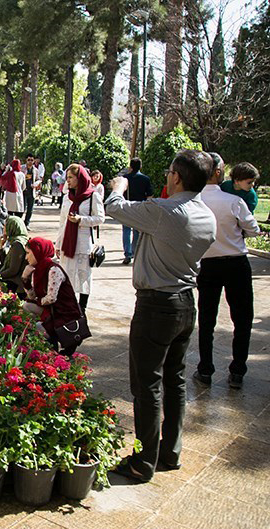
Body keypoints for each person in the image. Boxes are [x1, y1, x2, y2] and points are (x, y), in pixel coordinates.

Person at [105, 149, 216, 484]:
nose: (168, 175)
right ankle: (170, 451)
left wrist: (118, 186)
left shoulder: (165, 211)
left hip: (156, 306)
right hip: (185, 304)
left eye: (170, 171)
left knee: (147, 385)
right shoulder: (206, 215)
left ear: (176, 177)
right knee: (175, 380)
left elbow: (114, 208)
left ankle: (143, 462)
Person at [194, 162, 260, 389]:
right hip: (235, 263)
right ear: (218, 172)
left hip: (207, 264)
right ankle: (238, 371)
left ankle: (205, 369)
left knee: (206, 319)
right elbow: (253, 229)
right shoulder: (233, 201)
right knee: (242, 319)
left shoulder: (195, 201)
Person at [21, 237, 85, 356]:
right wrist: (25, 279)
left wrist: (37, 300)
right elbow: (32, 296)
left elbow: (51, 298)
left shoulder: (53, 269)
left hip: (64, 312)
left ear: (37, 252)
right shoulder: (38, 269)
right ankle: (50, 336)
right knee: (27, 306)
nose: (26, 257)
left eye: (28, 253)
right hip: (52, 309)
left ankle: (53, 347)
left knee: (38, 327)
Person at [55, 164, 104, 313]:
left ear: (80, 178)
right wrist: (58, 244)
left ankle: (82, 308)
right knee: (66, 276)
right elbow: (62, 222)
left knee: (83, 276)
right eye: (67, 177)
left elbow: (100, 218)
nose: (68, 181)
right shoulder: (67, 198)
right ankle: (68, 307)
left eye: (71, 177)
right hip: (67, 243)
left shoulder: (92, 196)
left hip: (83, 243)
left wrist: (81, 219)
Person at [122, 158, 154, 265]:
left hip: (127, 206)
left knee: (126, 231)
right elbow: (149, 195)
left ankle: (127, 254)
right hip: (139, 207)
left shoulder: (125, 178)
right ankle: (134, 252)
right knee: (137, 231)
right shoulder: (145, 179)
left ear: (130, 166)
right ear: (141, 166)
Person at [0, 216, 29, 297]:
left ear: (11, 227)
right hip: (14, 278)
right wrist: (1, 247)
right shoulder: (16, 240)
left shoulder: (18, 244)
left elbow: (13, 270)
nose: (4, 228)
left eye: (5, 226)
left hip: (16, 283)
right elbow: (4, 263)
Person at [23, 154, 39, 227]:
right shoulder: (22, 168)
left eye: (32, 160)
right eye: (28, 160)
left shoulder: (35, 170)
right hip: (23, 191)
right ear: (26, 160)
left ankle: (27, 223)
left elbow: (39, 179)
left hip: (31, 191)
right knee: (22, 208)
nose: (30, 161)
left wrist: (36, 184)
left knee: (30, 209)